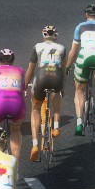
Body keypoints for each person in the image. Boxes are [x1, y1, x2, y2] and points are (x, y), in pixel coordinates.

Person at [27, 25, 68, 158]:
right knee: (57, 95)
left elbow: (31, 69)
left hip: (41, 77)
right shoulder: (62, 48)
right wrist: (63, 87)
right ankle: (55, 127)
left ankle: (35, 144)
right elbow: (63, 70)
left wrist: (24, 85)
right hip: (56, 77)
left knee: (35, 109)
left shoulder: (37, 47)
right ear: (55, 35)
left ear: (43, 35)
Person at [0, 48, 28, 161]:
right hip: (17, 105)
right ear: (13, 60)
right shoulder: (21, 71)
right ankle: (15, 164)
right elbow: (22, 92)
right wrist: (23, 109)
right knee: (15, 130)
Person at [70, 5, 95, 136]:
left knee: (79, 90)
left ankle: (79, 123)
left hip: (84, 57)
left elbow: (74, 50)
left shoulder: (80, 27)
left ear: (86, 15)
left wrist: (67, 66)